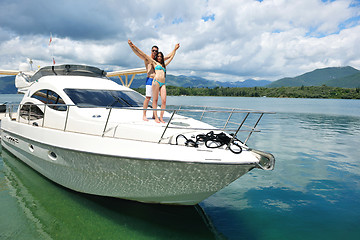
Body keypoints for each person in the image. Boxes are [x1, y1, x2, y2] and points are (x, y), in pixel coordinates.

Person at [128, 40, 180, 123]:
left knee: (156, 99)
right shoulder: (147, 59)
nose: (155, 52)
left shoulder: (158, 61)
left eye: (156, 51)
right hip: (150, 79)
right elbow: (139, 53)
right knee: (148, 97)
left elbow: (169, 56)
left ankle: (154, 114)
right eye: (153, 50)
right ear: (151, 51)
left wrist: (175, 49)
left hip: (158, 80)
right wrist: (132, 46)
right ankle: (144, 115)